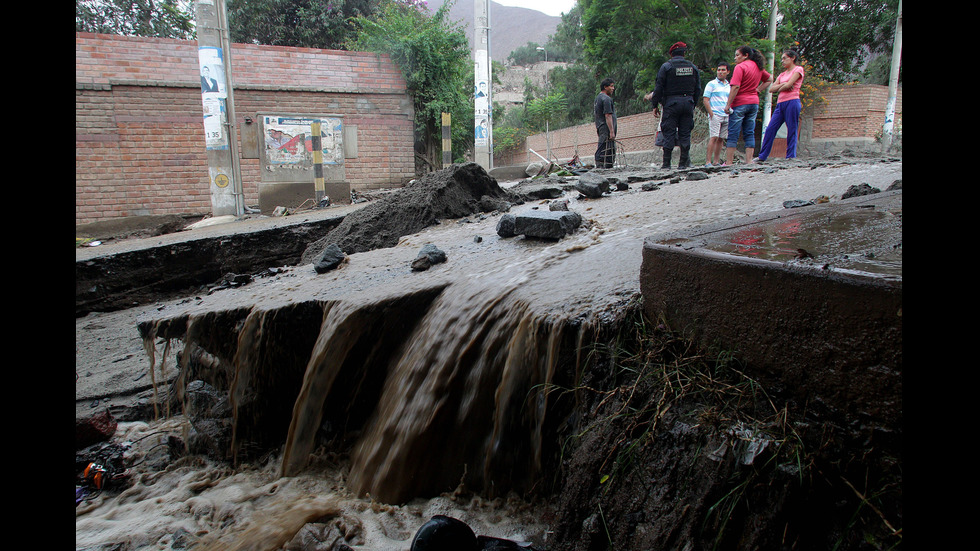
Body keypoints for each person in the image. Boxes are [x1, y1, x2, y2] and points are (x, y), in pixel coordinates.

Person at [644, 42, 701, 169]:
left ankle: (666, 165)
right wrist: (693, 104)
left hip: (671, 104)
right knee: (685, 134)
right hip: (688, 103)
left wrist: (655, 105)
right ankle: (682, 165)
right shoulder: (692, 67)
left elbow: (658, 88)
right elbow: (698, 89)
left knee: (669, 133)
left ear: (671, 54)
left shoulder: (666, 67)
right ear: (684, 53)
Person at [723, 46, 773, 165]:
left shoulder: (740, 67)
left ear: (745, 55)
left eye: (737, 55)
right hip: (753, 102)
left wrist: (728, 105)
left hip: (740, 103)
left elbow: (735, 87)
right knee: (749, 131)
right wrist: (758, 90)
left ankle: (729, 162)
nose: (735, 58)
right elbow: (770, 79)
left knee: (733, 132)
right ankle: (749, 160)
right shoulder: (758, 67)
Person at [757, 50, 805, 161]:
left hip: (792, 102)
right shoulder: (782, 74)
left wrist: (784, 85)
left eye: (784, 58)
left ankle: (790, 156)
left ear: (792, 58)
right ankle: (762, 156)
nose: (782, 61)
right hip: (780, 104)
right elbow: (772, 89)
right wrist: (784, 84)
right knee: (770, 129)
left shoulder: (798, 70)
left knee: (792, 129)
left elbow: (789, 85)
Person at [702, 62, 730, 166]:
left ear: (727, 72)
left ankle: (716, 161)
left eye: (723, 70)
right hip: (715, 114)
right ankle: (708, 161)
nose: (720, 72)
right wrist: (711, 114)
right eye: (719, 70)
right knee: (713, 137)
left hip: (725, 115)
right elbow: (705, 100)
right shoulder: (711, 84)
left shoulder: (728, 85)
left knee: (721, 138)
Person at [594, 78, 617, 169]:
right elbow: (608, 115)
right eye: (611, 86)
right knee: (605, 147)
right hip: (605, 127)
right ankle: (603, 165)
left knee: (604, 146)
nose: (613, 88)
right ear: (605, 87)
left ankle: (603, 165)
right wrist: (611, 131)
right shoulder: (606, 99)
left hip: (601, 126)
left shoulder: (598, 98)